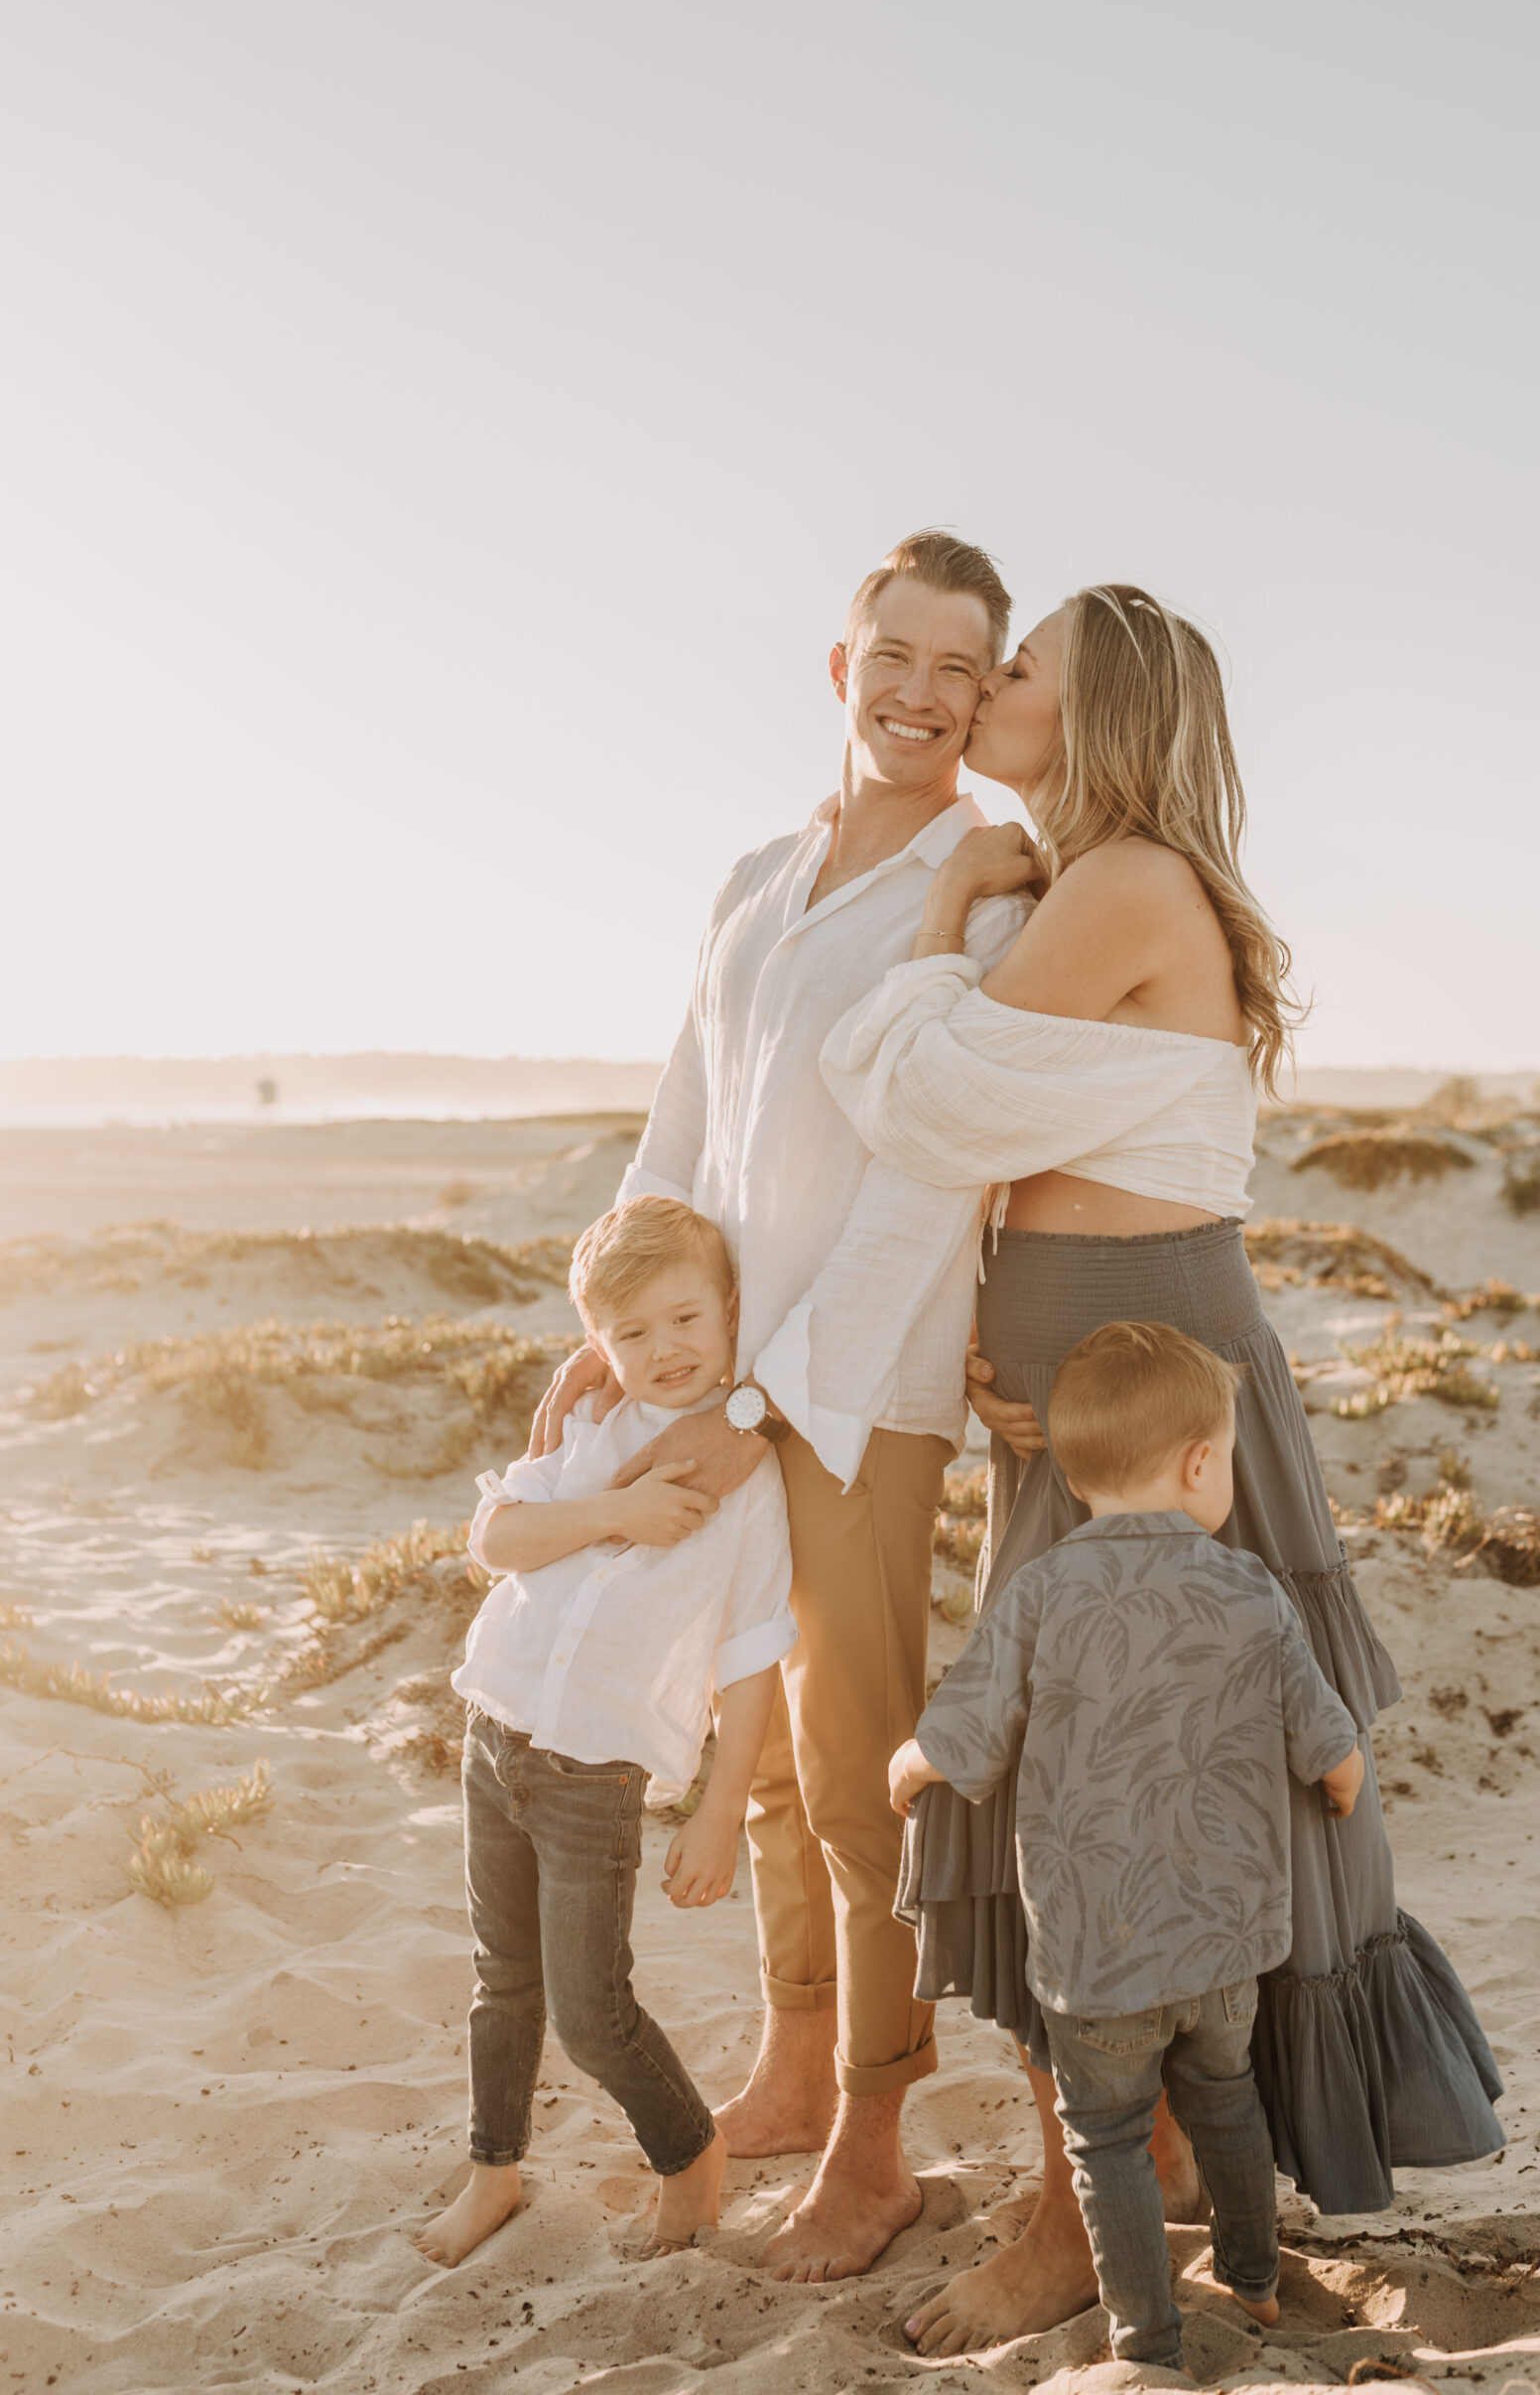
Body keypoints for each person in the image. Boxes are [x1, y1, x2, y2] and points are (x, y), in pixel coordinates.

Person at [822, 583, 1506, 2355]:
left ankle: (1072, 2227)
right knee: (1135, 1789)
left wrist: (950, 905)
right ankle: (1162, 2176)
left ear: (1100, 710)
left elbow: (914, 1096)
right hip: (1107, 1382)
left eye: (1019, 666)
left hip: (1140, 1393)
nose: (987, 687)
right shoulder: (1100, 884)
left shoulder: (1114, 882)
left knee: (1103, 1804)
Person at [526, 533, 1032, 2281]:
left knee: (848, 1769)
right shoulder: (755, 872)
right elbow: (688, 1111)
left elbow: (927, 1176)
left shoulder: (990, 878)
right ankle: (798, 2062)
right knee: (751, 1754)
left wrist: (761, 1399)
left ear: (988, 690)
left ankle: (880, 2133)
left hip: (855, 1386)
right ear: (840, 667)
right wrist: (615, 1317)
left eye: (959, 667)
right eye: (892, 653)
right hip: (711, 1375)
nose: (918, 691)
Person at [890, 1319, 1365, 2374]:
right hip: (1228, 1939)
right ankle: (1251, 2274)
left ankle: (1142, 2336)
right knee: (1226, 2100)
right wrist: (1341, 1789)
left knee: (1102, 2142)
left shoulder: (1044, 1590)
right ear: (1201, 1462)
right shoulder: (1250, 1589)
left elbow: (965, 1729)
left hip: (1097, 1954)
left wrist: (910, 1763)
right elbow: (1329, 1740)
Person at [417, 1196, 797, 2269]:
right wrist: (612, 1513)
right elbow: (496, 1533)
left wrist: (722, 1808)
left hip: (597, 1774)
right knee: (502, 1977)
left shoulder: (745, 1473)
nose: (663, 1350)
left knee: (592, 2012)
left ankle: (690, 2156)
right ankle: (495, 2169)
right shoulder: (591, 1431)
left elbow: (753, 1653)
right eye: (630, 1333)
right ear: (598, 1343)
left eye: (684, 1320)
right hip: (496, 1734)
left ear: (729, 1310)